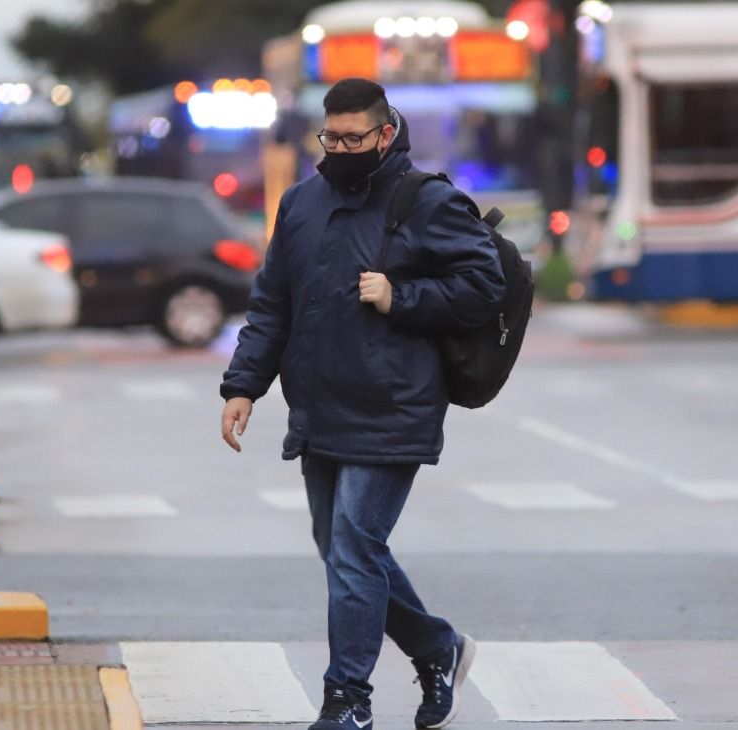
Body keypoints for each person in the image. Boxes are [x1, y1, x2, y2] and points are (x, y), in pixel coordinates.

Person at [220, 78, 505, 730]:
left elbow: (484, 284)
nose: (341, 148)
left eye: (354, 138)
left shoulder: (425, 200)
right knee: (345, 547)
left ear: (385, 132)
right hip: (320, 408)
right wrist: (243, 386)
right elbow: (273, 306)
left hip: (394, 404)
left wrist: (400, 297)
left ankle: (348, 699)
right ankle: (437, 646)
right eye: (331, 137)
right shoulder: (301, 204)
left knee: (354, 541)